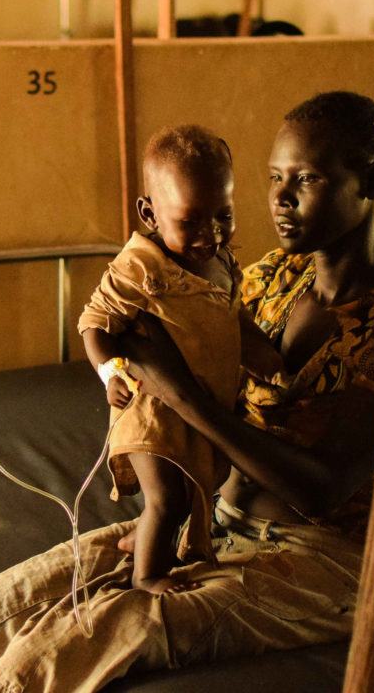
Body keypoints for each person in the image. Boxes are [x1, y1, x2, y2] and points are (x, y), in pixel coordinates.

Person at [0, 91, 374, 693]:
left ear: (373, 179)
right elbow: (134, 336)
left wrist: (184, 396)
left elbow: (321, 490)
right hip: (211, 524)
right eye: (274, 178)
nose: (281, 198)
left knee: (39, 669)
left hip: (323, 565)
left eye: (307, 178)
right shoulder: (267, 281)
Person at [78, 124, 280, 594]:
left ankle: (143, 538)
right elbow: (94, 322)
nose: (210, 233)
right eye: (190, 221)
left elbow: (234, 320)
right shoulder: (140, 266)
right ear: (150, 211)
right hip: (150, 408)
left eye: (223, 215)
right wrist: (109, 371)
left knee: (201, 485)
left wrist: (267, 357)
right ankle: (148, 575)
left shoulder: (224, 261)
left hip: (203, 405)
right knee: (167, 498)